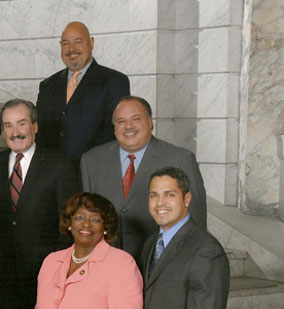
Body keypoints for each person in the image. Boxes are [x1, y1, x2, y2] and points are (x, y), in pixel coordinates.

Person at [80, 96, 207, 264]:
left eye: (136, 119)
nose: (128, 126)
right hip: (105, 265)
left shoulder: (180, 159)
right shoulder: (91, 161)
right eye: (121, 121)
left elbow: (196, 222)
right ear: (114, 127)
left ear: (150, 122)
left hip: (160, 265)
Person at [0, 99, 79, 308]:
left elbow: (69, 223)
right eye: (8, 125)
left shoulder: (61, 165)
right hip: (2, 277)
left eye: (21, 123)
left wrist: (56, 268)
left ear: (35, 126)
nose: (15, 132)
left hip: (45, 274)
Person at [35, 21, 130, 161]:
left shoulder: (114, 81)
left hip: (94, 171)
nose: (71, 49)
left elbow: (113, 132)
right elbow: (40, 132)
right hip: (53, 174)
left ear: (91, 43)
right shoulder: (48, 85)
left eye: (78, 41)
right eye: (65, 43)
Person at [141, 167, 229, 308]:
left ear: (187, 199)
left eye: (169, 195)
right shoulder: (150, 243)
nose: (159, 202)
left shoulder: (207, 250)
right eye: (154, 195)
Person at [36, 192, 143, 309]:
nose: (86, 224)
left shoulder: (121, 263)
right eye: (79, 217)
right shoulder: (51, 261)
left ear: (106, 227)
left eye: (95, 219)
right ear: (70, 223)